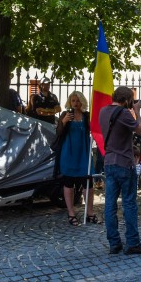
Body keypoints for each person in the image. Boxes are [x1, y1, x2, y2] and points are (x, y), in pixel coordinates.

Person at [99, 86, 141, 255]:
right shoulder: (123, 114)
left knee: (110, 205)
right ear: (127, 100)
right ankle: (133, 243)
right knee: (129, 203)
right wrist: (137, 111)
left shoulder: (103, 111)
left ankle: (114, 243)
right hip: (124, 163)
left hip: (109, 162)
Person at [54, 91, 98, 224]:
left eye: (78, 101)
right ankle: (71, 212)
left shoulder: (86, 115)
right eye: (73, 101)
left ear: (82, 102)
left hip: (83, 153)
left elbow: (94, 129)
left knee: (88, 183)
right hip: (69, 152)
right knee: (69, 183)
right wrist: (64, 122)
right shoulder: (65, 114)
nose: (75, 103)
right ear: (70, 102)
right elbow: (58, 132)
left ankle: (90, 212)